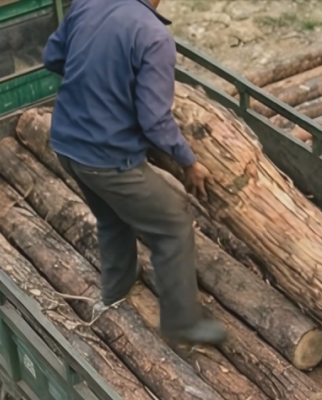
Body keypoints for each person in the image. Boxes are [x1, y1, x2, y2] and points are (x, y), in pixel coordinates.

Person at [43, 0, 225, 345]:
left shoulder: (87, 2)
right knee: (173, 224)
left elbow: (52, 57)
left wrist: (96, 86)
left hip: (66, 144)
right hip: (108, 159)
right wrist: (189, 161)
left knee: (111, 216)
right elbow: (155, 121)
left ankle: (116, 289)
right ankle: (182, 325)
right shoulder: (154, 36)